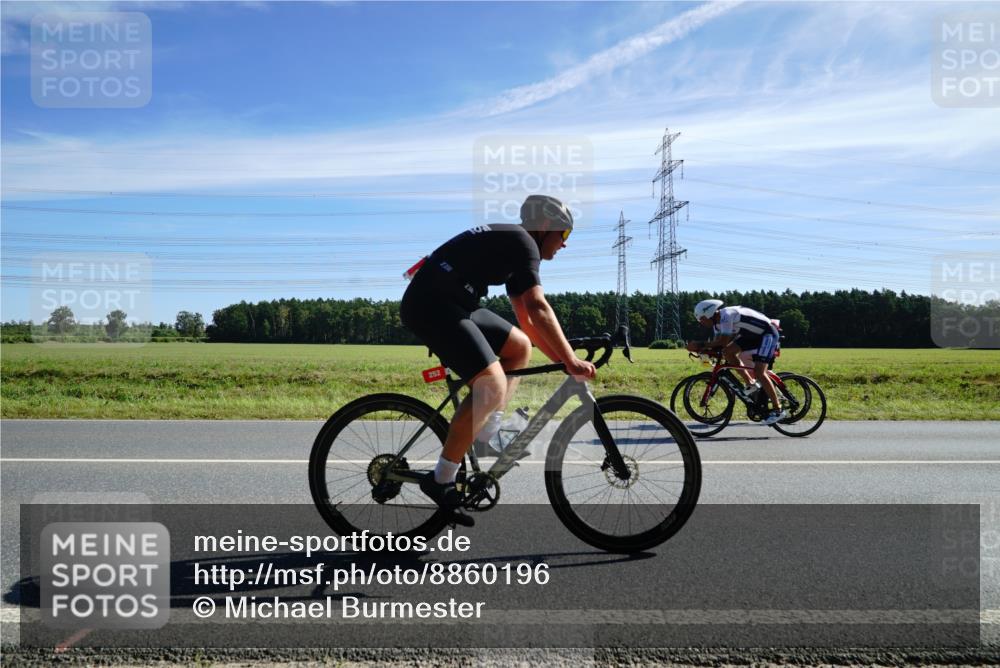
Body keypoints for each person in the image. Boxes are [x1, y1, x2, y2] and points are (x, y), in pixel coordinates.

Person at [400, 195, 597, 526]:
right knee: (491, 384)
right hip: (431, 303)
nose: (564, 245)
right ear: (545, 225)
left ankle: (486, 433)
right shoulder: (524, 243)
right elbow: (537, 307)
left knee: (519, 347)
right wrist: (571, 359)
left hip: (455, 301)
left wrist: (563, 361)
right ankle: (442, 478)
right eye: (564, 235)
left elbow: (526, 320)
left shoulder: (516, 245)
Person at [690, 299, 787, 425]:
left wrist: (699, 344)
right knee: (727, 352)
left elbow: (723, 341)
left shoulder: (726, 315)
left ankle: (778, 409)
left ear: (709, 313)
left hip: (767, 333)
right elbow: (718, 345)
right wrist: (703, 350)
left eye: (701, 319)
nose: (701, 322)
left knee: (760, 372)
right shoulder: (717, 324)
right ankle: (750, 383)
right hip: (750, 336)